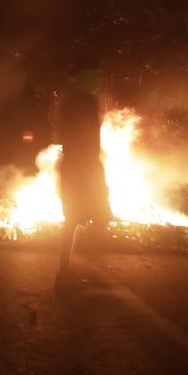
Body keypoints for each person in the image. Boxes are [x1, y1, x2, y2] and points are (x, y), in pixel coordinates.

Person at [54, 58, 111, 292]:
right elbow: (79, 135)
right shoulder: (80, 100)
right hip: (81, 167)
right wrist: (91, 167)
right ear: (82, 76)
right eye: (94, 74)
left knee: (82, 218)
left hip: (81, 165)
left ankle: (69, 270)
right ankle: (67, 271)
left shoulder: (76, 99)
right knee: (85, 217)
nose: (98, 79)